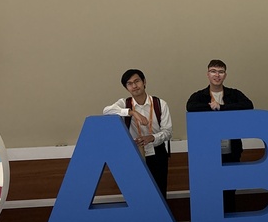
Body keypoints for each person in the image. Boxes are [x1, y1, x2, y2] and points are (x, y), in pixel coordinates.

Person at [186, 59, 254, 213]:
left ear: (225, 75)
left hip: (231, 150)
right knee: (211, 188)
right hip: (209, 152)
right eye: (213, 71)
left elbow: (248, 105)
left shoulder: (233, 94)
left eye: (221, 71)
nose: (217, 75)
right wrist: (211, 108)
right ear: (207, 74)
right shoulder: (200, 96)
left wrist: (222, 107)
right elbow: (190, 107)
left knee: (230, 188)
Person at [103, 69, 173, 198]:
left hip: (157, 153)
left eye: (137, 81)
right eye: (129, 83)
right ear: (126, 87)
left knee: (159, 192)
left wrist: (152, 138)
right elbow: (106, 111)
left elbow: (168, 132)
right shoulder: (124, 103)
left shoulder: (160, 104)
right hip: (133, 153)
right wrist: (131, 112)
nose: (134, 86)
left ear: (144, 82)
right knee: (137, 193)